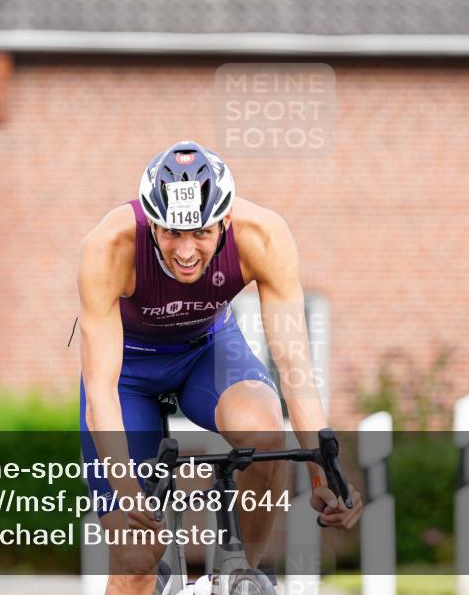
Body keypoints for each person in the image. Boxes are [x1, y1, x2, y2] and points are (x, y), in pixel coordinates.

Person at [78, 140, 363, 594]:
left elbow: (293, 361)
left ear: (226, 220)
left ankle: (234, 577)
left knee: (266, 430)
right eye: (171, 232)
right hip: (128, 372)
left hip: (205, 351)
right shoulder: (109, 246)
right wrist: (129, 495)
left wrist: (322, 472)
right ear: (152, 222)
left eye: (202, 233)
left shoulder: (263, 236)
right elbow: (101, 390)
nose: (186, 250)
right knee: (135, 558)